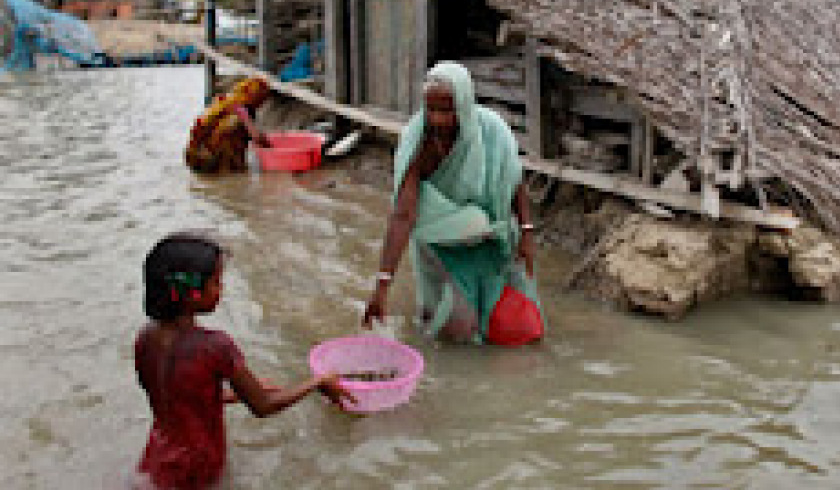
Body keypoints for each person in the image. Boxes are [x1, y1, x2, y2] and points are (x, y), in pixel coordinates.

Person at [134, 231, 353, 490]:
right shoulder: (216, 345)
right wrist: (318, 381)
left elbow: (171, 395)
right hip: (198, 467)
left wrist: (234, 394)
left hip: (155, 460)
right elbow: (264, 406)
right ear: (192, 294)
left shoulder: (146, 337)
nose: (222, 289)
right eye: (216, 282)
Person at [361, 62, 544, 344]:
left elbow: (513, 181)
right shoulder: (419, 142)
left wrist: (527, 232)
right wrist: (382, 285)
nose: (438, 120)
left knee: (515, 327)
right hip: (442, 242)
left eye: (447, 110)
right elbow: (404, 214)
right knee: (454, 330)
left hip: (490, 236)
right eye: (431, 110)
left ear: (465, 104)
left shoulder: (492, 131)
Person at [185, 77, 272, 173]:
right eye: (262, 98)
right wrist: (269, 147)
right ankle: (230, 168)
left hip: (195, 155)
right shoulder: (241, 109)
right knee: (236, 126)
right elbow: (255, 136)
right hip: (209, 157)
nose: (262, 103)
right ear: (256, 96)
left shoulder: (226, 100)